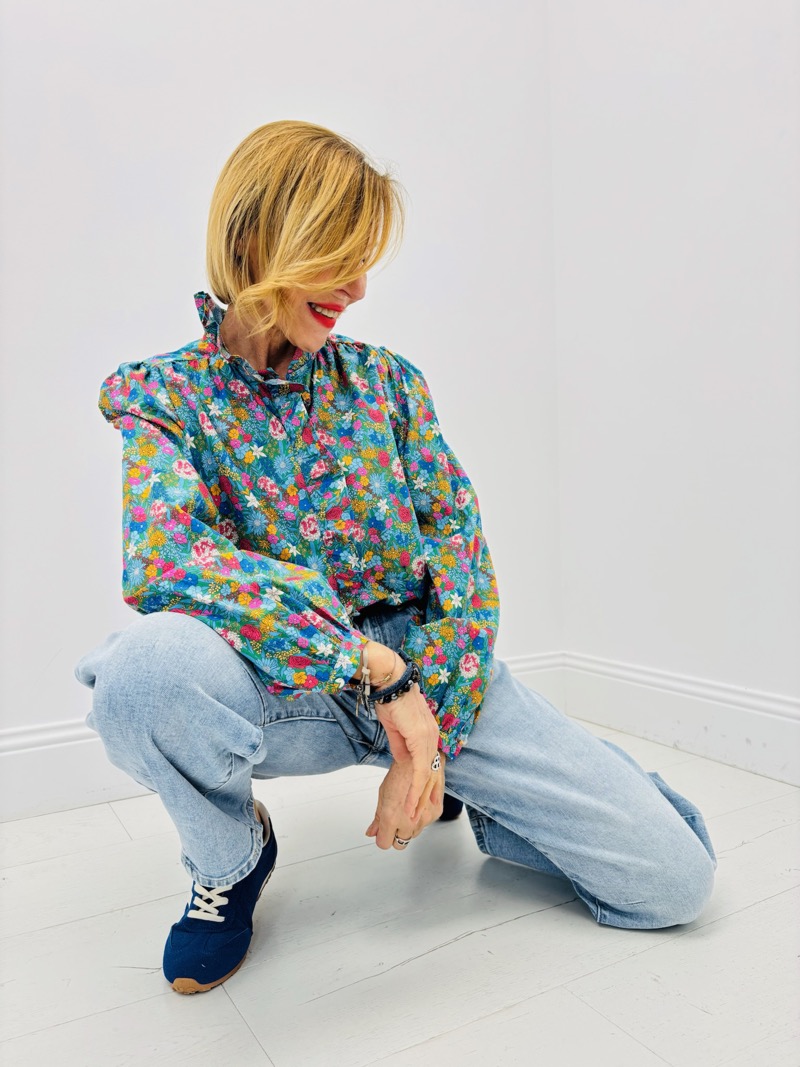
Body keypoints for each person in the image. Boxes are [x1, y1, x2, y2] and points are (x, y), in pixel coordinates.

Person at [75, 120, 716, 996]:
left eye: (365, 261)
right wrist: (370, 668)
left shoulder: (388, 383)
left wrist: (428, 728)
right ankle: (232, 859)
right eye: (338, 257)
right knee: (138, 679)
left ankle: (471, 793)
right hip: (291, 686)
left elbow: (462, 555)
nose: (359, 287)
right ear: (260, 239)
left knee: (672, 880)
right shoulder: (163, 398)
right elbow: (167, 560)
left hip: (432, 672)